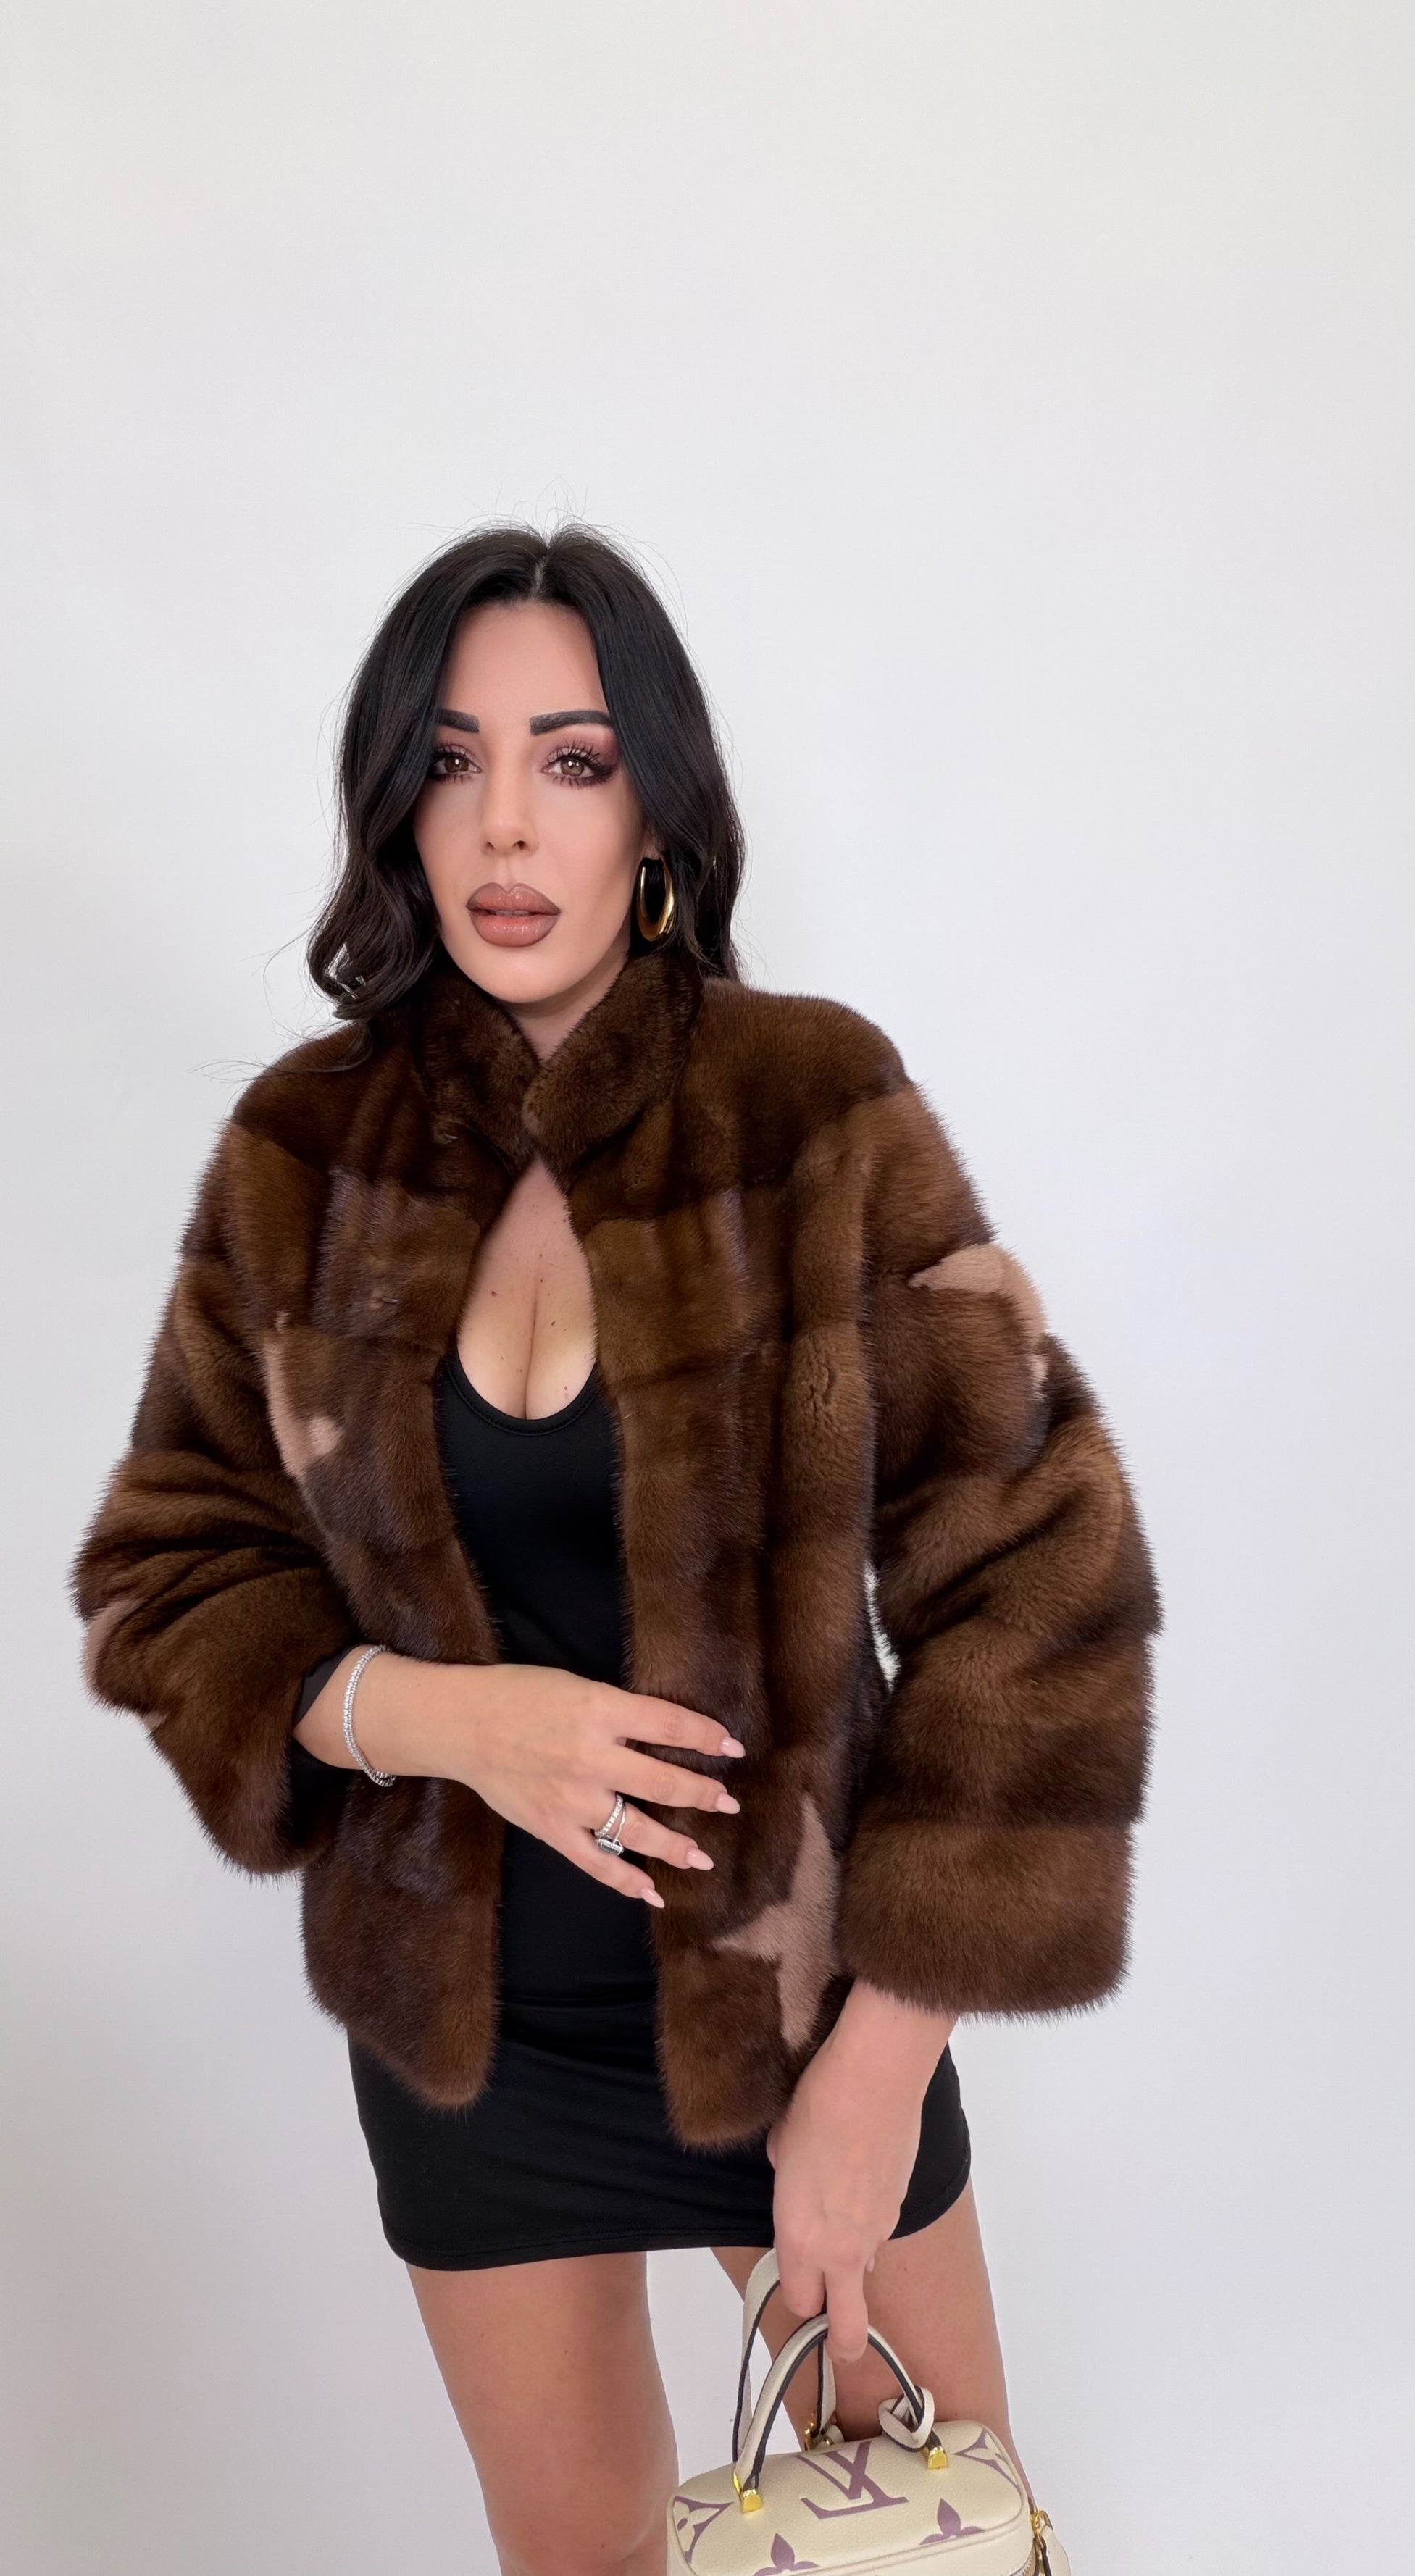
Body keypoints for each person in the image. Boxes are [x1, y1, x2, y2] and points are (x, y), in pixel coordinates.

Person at [75, 523, 1158, 2576]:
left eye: (570, 760)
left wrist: (877, 2076)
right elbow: (171, 1565)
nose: (505, 823)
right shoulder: (309, 1151)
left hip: (806, 2009)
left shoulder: (809, 1109)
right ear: (395, 806)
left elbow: (1044, 1580)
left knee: (932, 2550)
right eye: (451, 759)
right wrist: (445, 1718)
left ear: (653, 809)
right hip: (466, 2041)